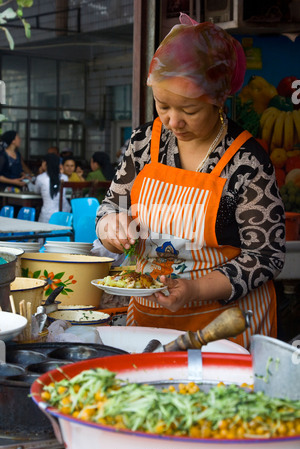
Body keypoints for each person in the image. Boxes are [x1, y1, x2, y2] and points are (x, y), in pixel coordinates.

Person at [95, 14, 286, 349]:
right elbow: (111, 206)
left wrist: (195, 289)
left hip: (225, 330)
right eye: (162, 105)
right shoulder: (144, 144)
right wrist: (110, 226)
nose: (172, 121)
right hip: (148, 326)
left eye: (189, 110)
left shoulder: (245, 162)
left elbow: (266, 255)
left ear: (218, 98)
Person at [29, 153, 70, 223]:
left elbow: (36, 191)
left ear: (45, 163)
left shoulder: (41, 178)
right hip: (64, 215)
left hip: (47, 217)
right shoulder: (65, 177)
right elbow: (68, 191)